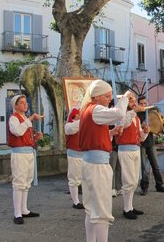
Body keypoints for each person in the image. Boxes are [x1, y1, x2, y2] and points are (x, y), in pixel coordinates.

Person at [79, 80, 128, 242]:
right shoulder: (96, 109)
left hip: (89, 163)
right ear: (98, 97)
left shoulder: (88, 110)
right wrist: (125, 98)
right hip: (97, 166)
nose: (110, 99)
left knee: (90, 208)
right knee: (101, 211)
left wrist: (111, 132)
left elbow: (94, 138)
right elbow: (119, 113)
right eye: (107, 96)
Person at [7, 94, 43, 225]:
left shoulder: (22, 118)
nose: (25, 104)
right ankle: (17, 213)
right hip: (19, 154)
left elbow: (24, 135)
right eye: (22, 103)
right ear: (15, 106)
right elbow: (17, 132)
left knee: (26, 181)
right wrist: (30, 119)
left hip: (28, 153)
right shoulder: (13, 118)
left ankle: (24, 209)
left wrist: (35, 137)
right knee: (19, 182)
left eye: (25, 102)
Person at [115, 91, 150, 219]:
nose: (133, 101)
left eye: (133, 99)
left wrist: (145, 132)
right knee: (129, 181)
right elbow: (123, 124)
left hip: (135, 148)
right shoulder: (121, 114)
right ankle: (126, 208)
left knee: (134, 181)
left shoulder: (135, 117)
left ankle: (129, 206)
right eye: (130, 99)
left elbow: (140, 136)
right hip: (125, 150)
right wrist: (134, 111)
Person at [137, 96, 164, 195]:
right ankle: (144, 187)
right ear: (138, 104)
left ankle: (159, 185)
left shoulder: (150, 112)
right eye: (141, 103)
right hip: (141, 143)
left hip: (150, 142)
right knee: (143, 167)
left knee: (156, 165)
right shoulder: (136, 115)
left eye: (144, 103)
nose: (143, 105)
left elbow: (157, 127)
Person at [64, 108, 85, 209]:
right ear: (74, 115)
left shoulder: (82, 125)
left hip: (84, 155)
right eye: (79, 113)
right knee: (74, 179)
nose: (81, 114)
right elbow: (71, 129)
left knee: (84, 179)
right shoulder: (69, 125)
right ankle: (75, 201)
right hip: (74, 155)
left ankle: (84, 199)